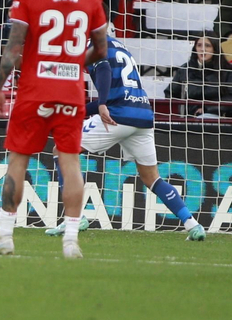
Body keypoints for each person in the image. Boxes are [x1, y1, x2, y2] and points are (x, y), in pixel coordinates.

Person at [0, 0, 107, 258]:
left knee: (18, 161)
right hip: (71, 92)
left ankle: (5, 236)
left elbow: (12, 49)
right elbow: (102, 50)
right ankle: (71, 241)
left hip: (34, 91)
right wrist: (75, 61)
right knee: (71, 163)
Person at [55, 34, 207, 239]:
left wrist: (87, 107)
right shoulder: (119, 45)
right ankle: (193, 224)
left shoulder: (94, 43)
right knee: (152, 178)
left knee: (62, 150)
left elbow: (104, 71)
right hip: (143, 114)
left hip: (117, 114)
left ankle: (75, 217)